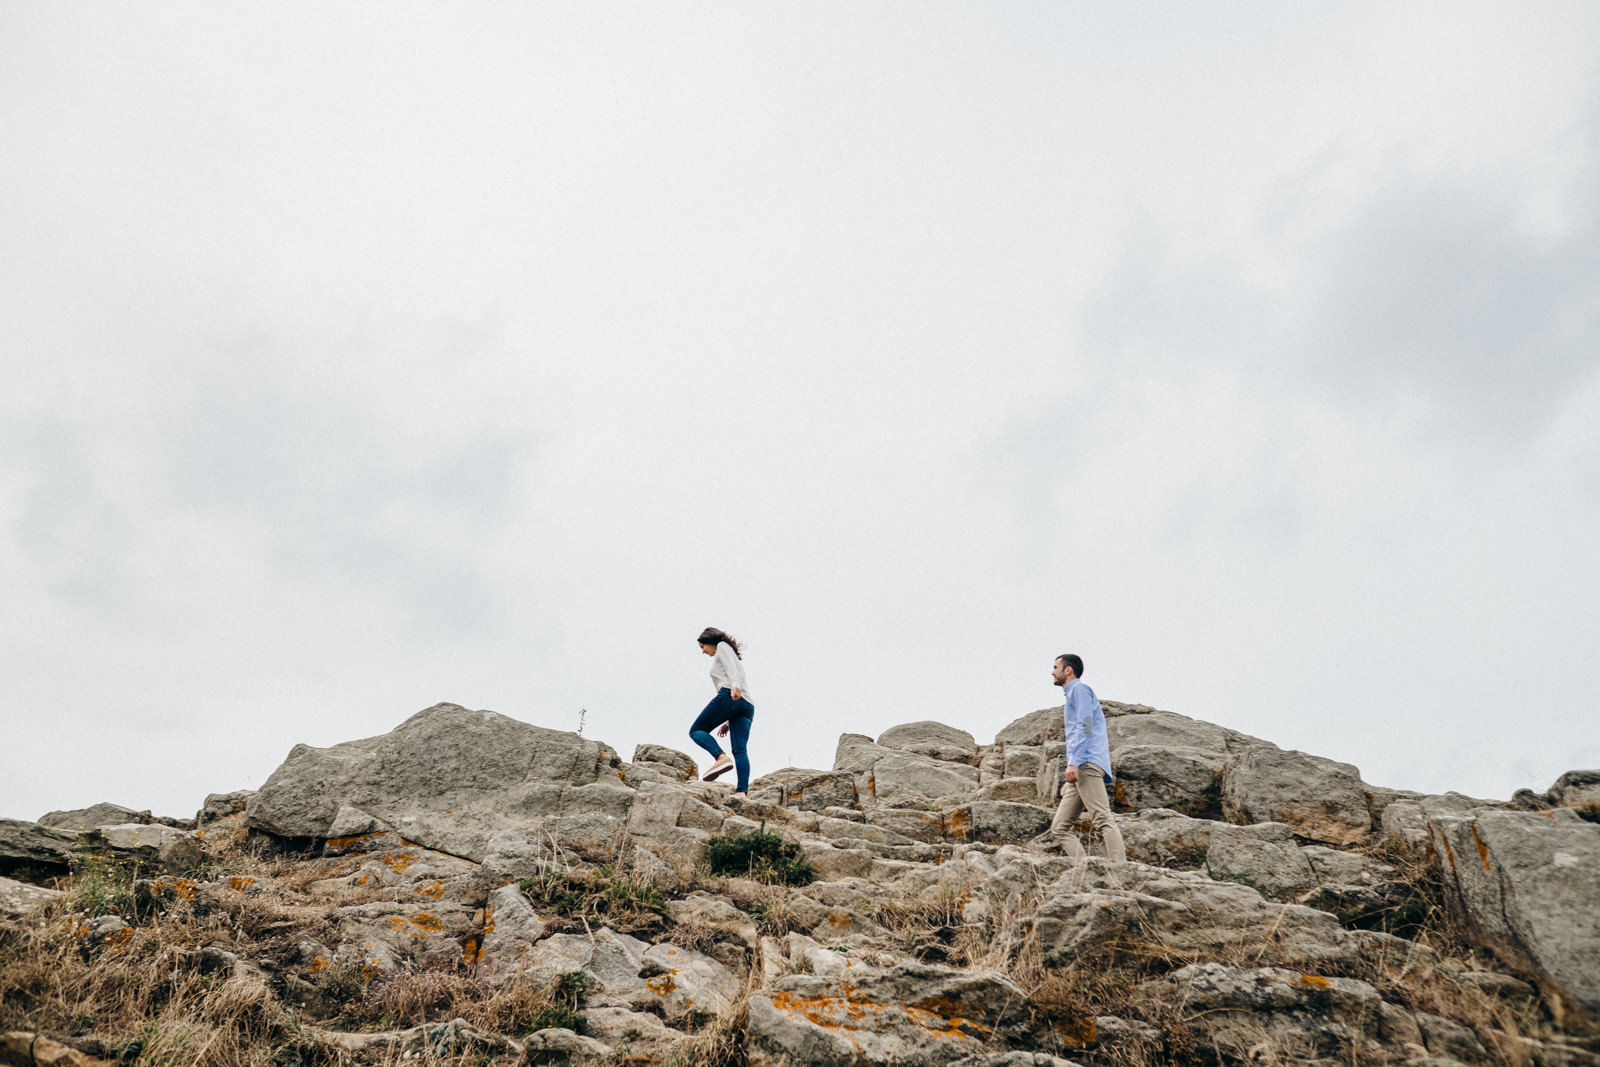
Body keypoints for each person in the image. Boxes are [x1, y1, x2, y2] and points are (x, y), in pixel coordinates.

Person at [1044, 653, 1127, 861]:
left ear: (1068, 670)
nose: (1052, 672)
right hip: (1080, 768)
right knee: (1059, 827)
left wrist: (1074, 763)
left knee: (1102, 819)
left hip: (1086, 764)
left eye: (1055, 667)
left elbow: (1086, 725)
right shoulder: (1072, 694)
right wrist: (1070, 777)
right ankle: (1084, 869)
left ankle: (1121, 869)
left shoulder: (1079, 689)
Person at [688, 627, 755, 799]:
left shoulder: (722, 646)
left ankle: (720, 757)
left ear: (710, 641)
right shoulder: (729, 650)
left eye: (702, 647)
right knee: (740, 750)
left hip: (730, 695)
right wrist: (726, 722)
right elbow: (736, 670)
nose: (703, 651)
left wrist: (735, 685)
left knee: (696, 731)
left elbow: (733, 670)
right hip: (746, 706)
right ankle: (741, 792)